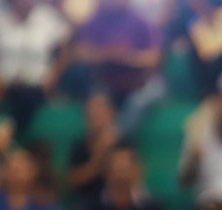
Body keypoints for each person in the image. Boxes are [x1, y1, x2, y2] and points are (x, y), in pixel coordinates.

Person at [0, 0, 71, 138]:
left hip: (36, 86)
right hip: (0, 87)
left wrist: (54, 76)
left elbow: (67, 50)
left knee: (27, 111)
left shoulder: (48, 18)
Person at [68, 0, 165, 137]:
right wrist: (106, 54)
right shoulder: (95, 22)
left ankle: (113, 139)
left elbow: (154, 58)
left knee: (139, 102)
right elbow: (80, 52)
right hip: (108, 80)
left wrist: (126, 57)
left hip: (141, 81)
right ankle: (96, 143)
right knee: (96, 102)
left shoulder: (141, 21)